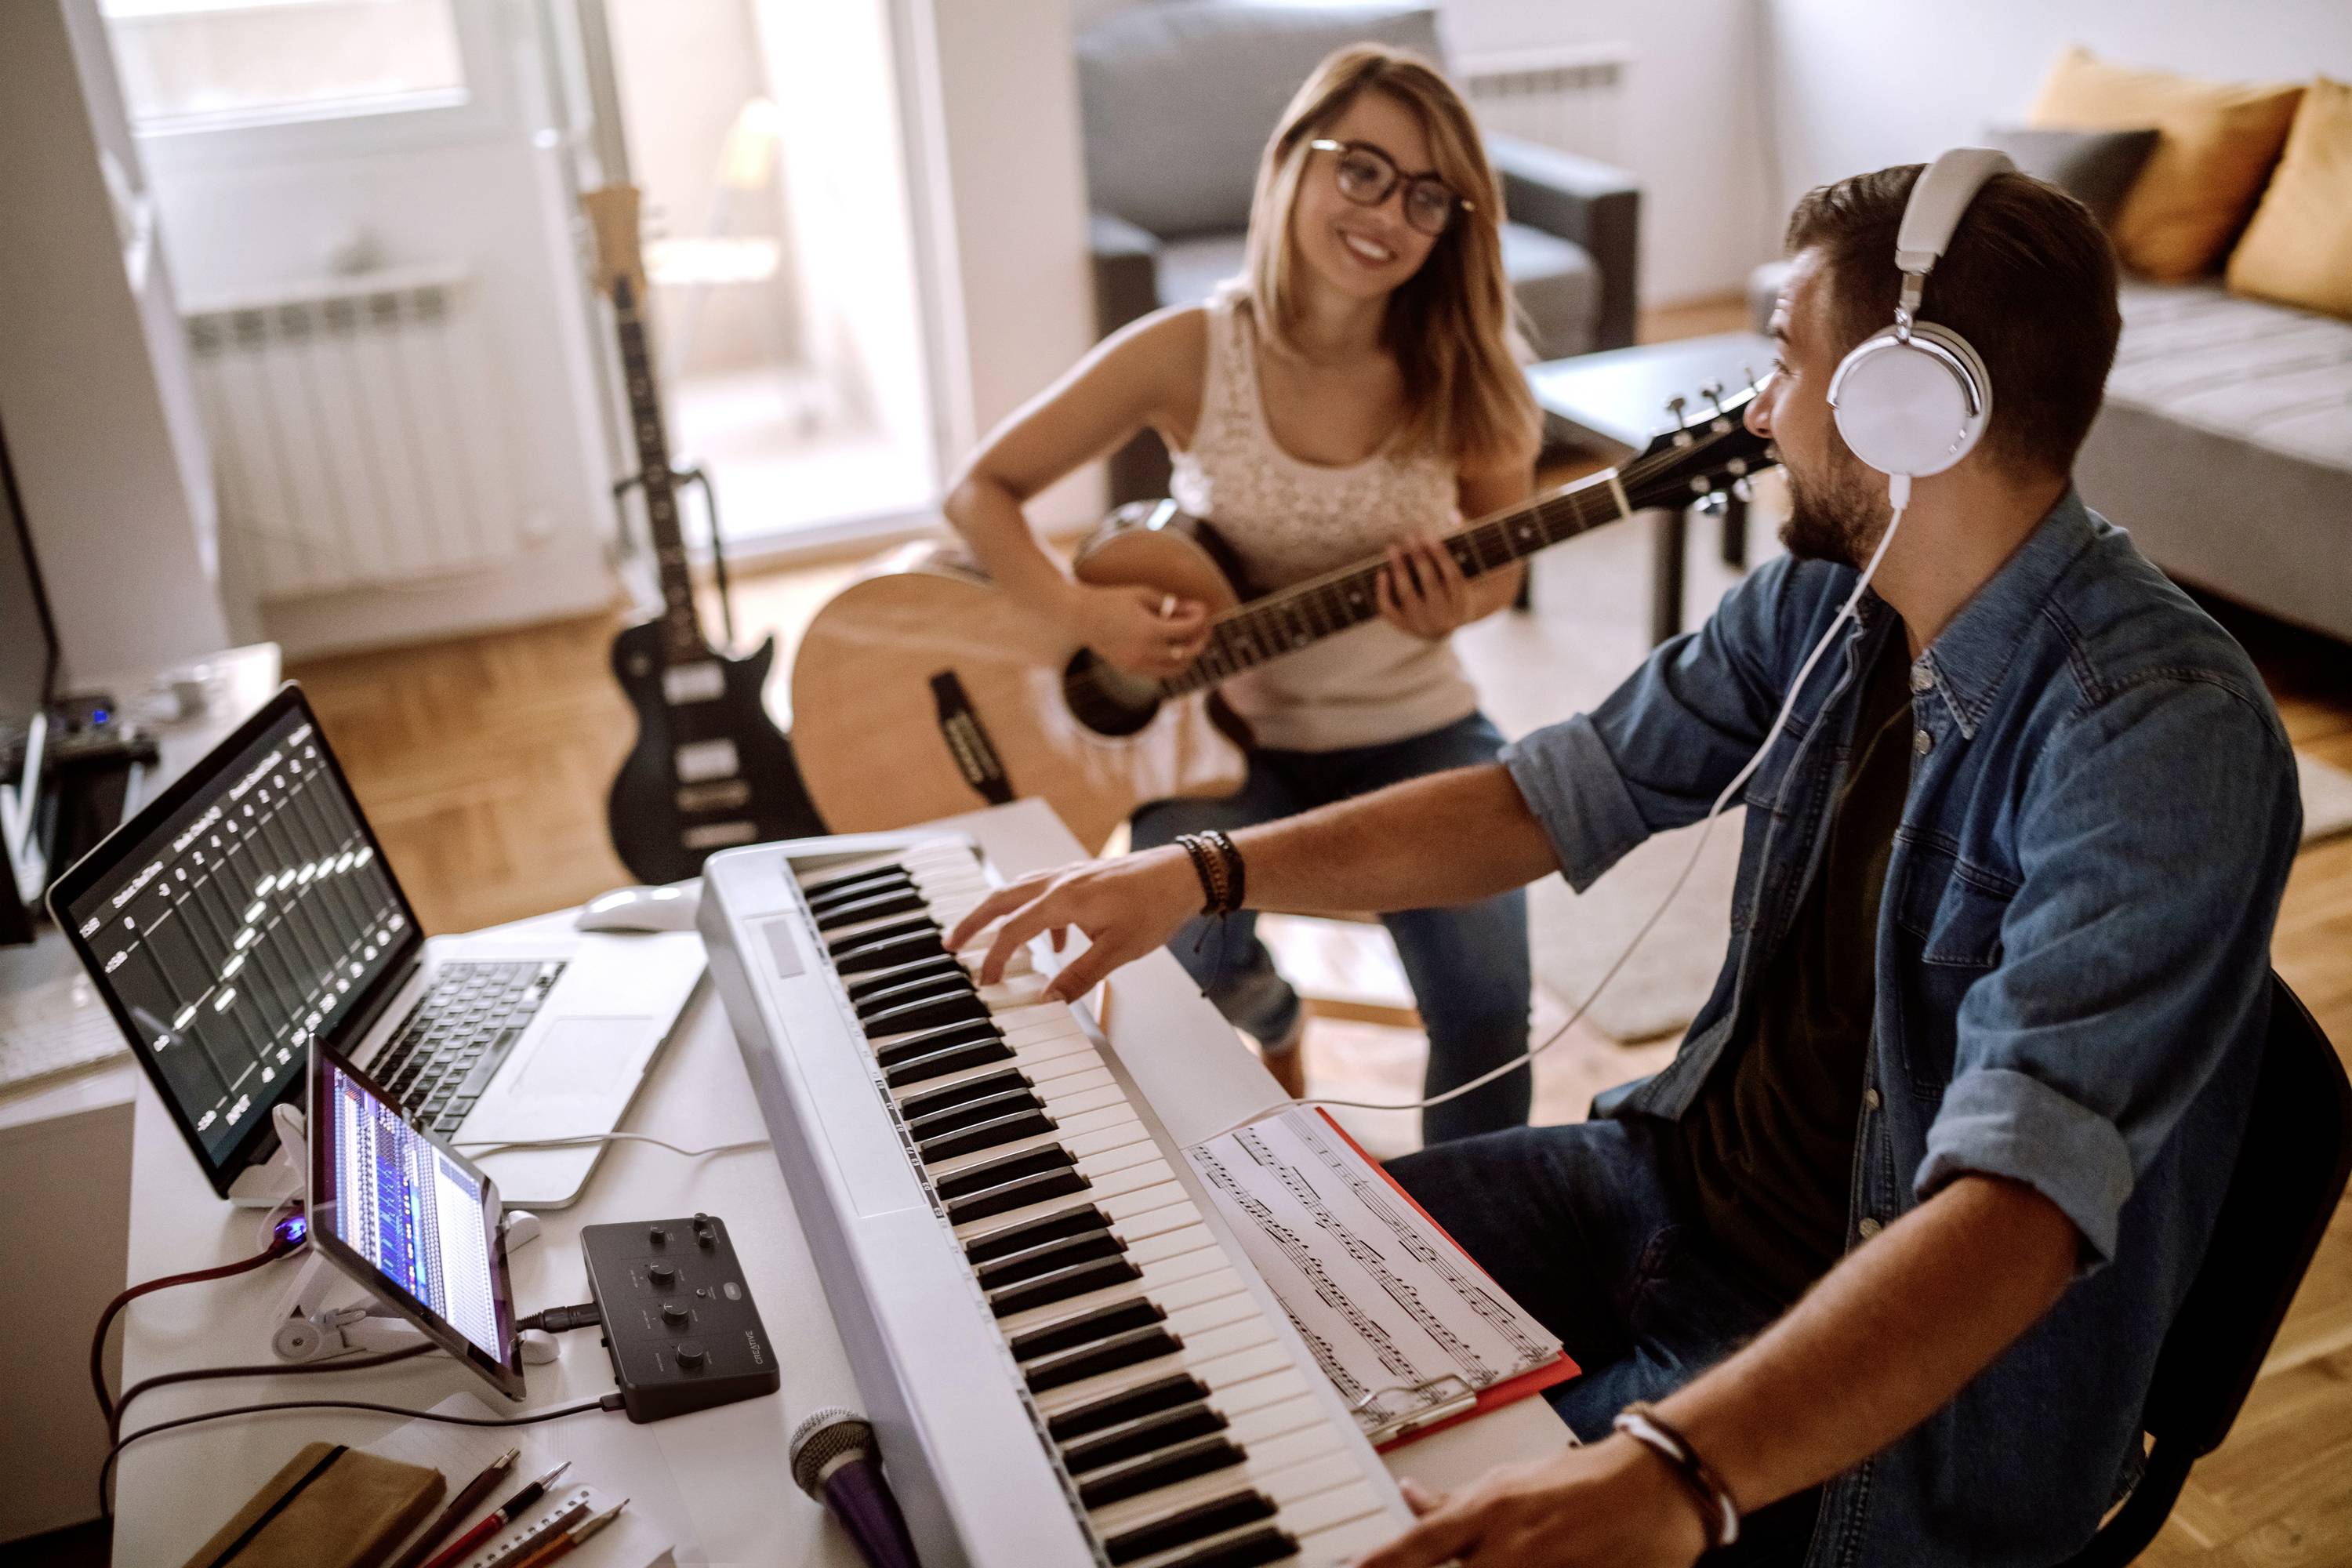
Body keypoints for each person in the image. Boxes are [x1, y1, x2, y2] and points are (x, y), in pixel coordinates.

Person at [945, 158, 2305, 1566]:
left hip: (1875, 1393)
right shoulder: (1826, 600)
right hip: (1650, 1189)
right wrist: (1204, 872)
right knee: (1172, 1296)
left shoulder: (2156, 734)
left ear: (1909, 403)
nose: (1759, 410)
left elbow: (2017, 1210)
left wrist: (1675, 1475)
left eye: (1786, 362)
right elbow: (1539, 801)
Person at [941, 45, 1544, 1142]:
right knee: (1176, 963)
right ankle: (1268, 1006)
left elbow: (1502, 564)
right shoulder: (1192, 351)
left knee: (1489, 1008)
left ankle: (1485, 1217)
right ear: (1292, 163)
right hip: (1220, 748)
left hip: (1419, 735)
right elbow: (979, 491)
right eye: (1362, 170)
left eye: (1426, 197)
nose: (1386, 214)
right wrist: (1081, 613)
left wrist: (1457, 604)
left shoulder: (1473, 367)